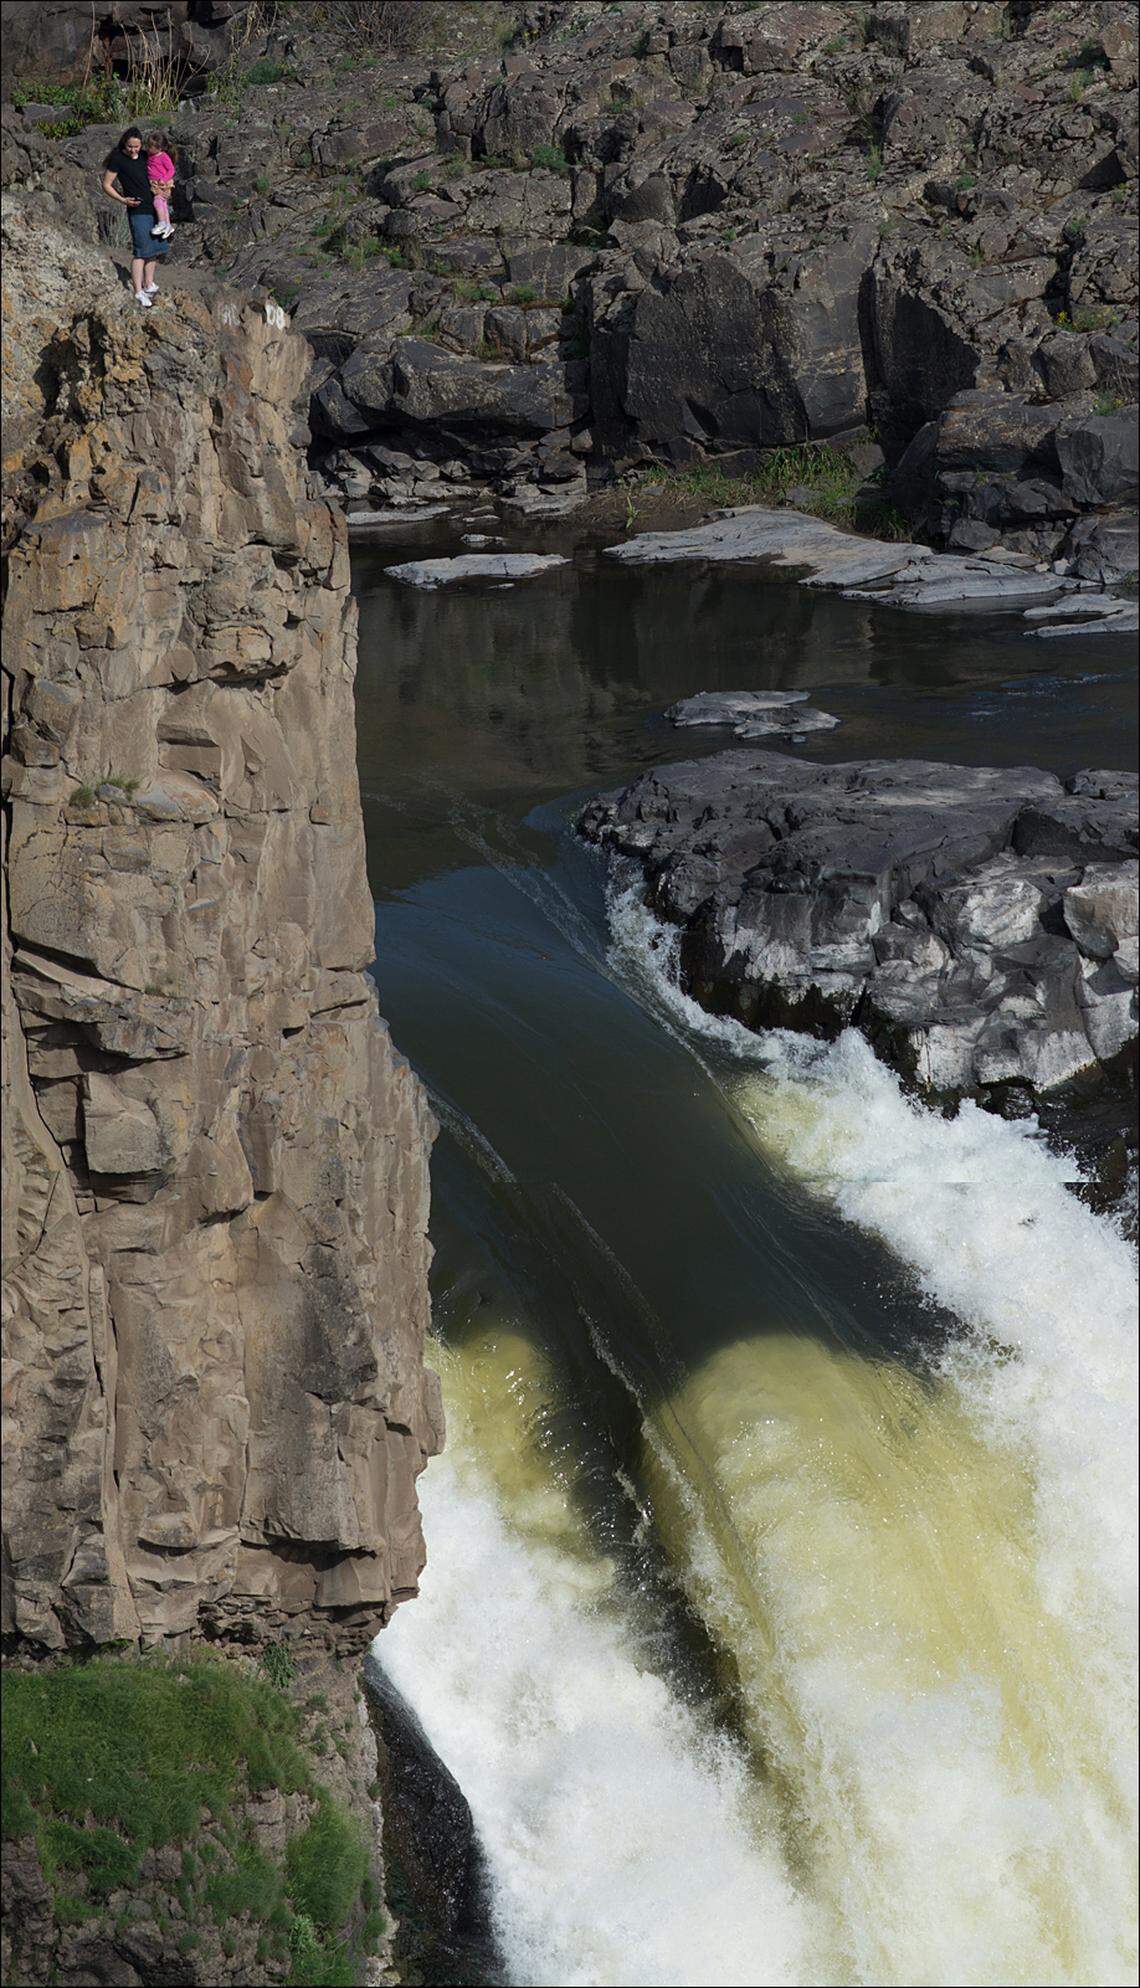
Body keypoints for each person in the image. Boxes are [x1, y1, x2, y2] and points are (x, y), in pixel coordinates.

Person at [101, 127, 170, 307]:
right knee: (141, 251)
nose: (134, 150)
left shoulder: (147, 155)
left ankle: (149, 284)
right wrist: (123, 200)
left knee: (153, 249)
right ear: (125, 143)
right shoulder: (118, 159)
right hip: (137, 209)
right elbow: (106, 184)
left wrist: (164, 189)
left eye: (137, 146)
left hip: (154, 207)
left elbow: (160, 172)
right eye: (131, 146)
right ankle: (138, 290)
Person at [145, 132, 176, 239]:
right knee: (163, 204)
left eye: (150, 147)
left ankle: (162, 222)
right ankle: (167, 225)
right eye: (147, 146)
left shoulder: (163, 156)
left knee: (157, 201)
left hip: (161, 183)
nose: (147, 148)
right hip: (154, 183)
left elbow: (171, 169)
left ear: (159, 148)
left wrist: (164, 179)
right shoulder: (150, 156)